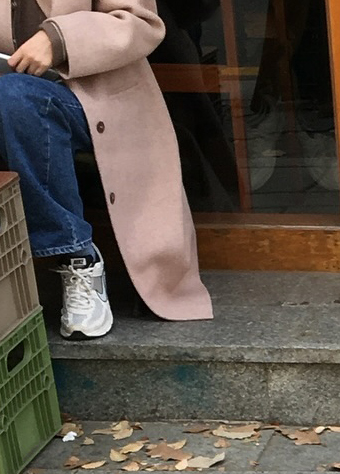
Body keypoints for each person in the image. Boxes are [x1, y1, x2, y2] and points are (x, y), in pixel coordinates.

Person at [0, 0, 212, 339]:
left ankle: (78, 258)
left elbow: (141, 22)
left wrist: (58, 40)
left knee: (15, 97)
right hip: (11, 99)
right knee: (11, 97)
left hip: (94, 99)